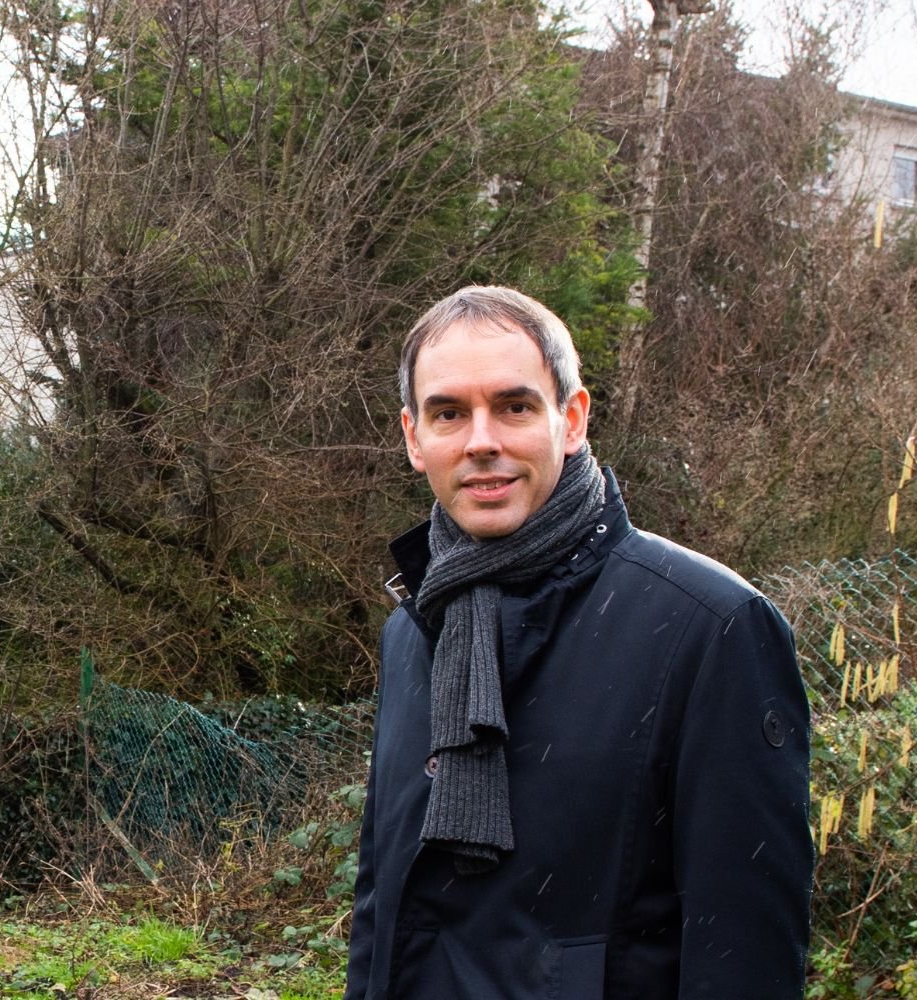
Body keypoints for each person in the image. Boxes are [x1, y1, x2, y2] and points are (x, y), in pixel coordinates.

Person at [345, 286, 812, 999]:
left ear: (572, 419)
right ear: (414, 438)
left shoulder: (710, 628)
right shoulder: (414, 629)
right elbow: (382, 906)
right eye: (448, 413)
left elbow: (744, 954)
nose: (480, 441)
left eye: (514, 406)